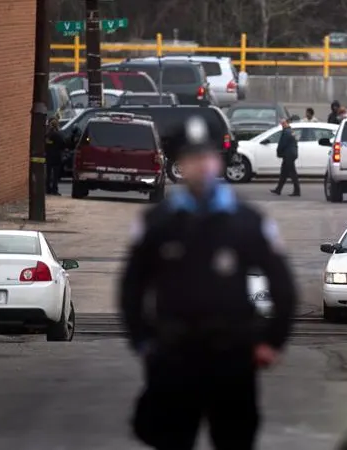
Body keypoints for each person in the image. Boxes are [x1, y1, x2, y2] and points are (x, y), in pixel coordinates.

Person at [119, 115, 298, 450]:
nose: (200, 165)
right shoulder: (158, 223)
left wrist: (272, 342)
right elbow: (132, 286)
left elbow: (282, 285)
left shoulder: (247, 222)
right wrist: (142, 342)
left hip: (233, 358)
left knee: (234, 441)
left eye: (206, 156)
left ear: (217, 160)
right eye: (191, 158)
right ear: (180, 165)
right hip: (173, 358)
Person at [270, 119, 300, 197]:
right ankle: (278, 189)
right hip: (291, 154)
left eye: (283, 123)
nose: (282, 125)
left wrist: (278, 151)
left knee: (292, 173)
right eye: (281, 123)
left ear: (287, 123)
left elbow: (282, 144)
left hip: (288, 155)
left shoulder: (286, 132)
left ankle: (297, 191)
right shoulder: (291, 131)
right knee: (284, 173)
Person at [45, 117, 65, 196]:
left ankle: (47, 189)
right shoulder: (58, 135)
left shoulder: (47, 135)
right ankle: (54, 189)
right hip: (56, 156)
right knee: (55, 175)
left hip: (48, 156)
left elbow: (45, 144)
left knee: (48, 174)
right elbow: (63, 144)